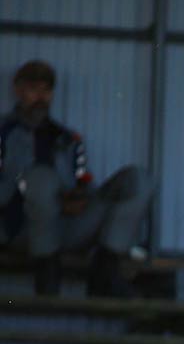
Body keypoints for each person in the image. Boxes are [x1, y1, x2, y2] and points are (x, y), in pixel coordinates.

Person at [1, 59, 156, 297]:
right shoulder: (4, 133)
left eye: (46, 90)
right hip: (18, 228)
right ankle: (47, 272)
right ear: (19, 90)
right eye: (33, 89)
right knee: (41, 179)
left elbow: (82, 178)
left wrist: (79, 196)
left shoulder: (68, 139)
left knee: (138, 180)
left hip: (65, 227)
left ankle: (106, 268)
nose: (40, 97)